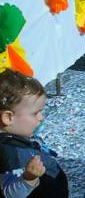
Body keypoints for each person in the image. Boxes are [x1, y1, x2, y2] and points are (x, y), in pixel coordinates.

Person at [0, 69, 69, 197]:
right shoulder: (7, 154)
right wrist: (29, 178)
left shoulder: (12, 140)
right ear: (8, 118)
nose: (41, 117)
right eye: (35, 113)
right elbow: (8, 194)